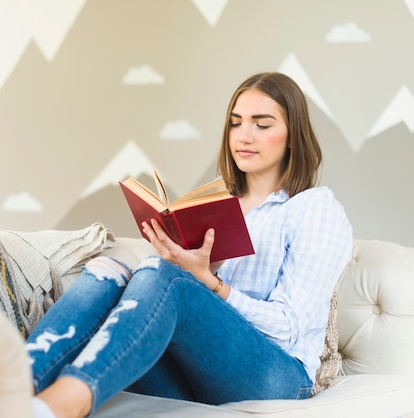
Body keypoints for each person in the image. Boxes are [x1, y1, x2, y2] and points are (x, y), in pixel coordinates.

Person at [25, 72, 353, 418]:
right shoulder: (218, 198)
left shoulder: (315, 208)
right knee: (107, 272)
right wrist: (191, 267)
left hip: (279, 380)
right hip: (202, 373)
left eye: (262, 124)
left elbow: (288, 331)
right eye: (235, 123)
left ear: (292, 136)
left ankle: (68, 400)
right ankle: (14, 390)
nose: (243, 136)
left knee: (163, 275)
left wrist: (209, 283)